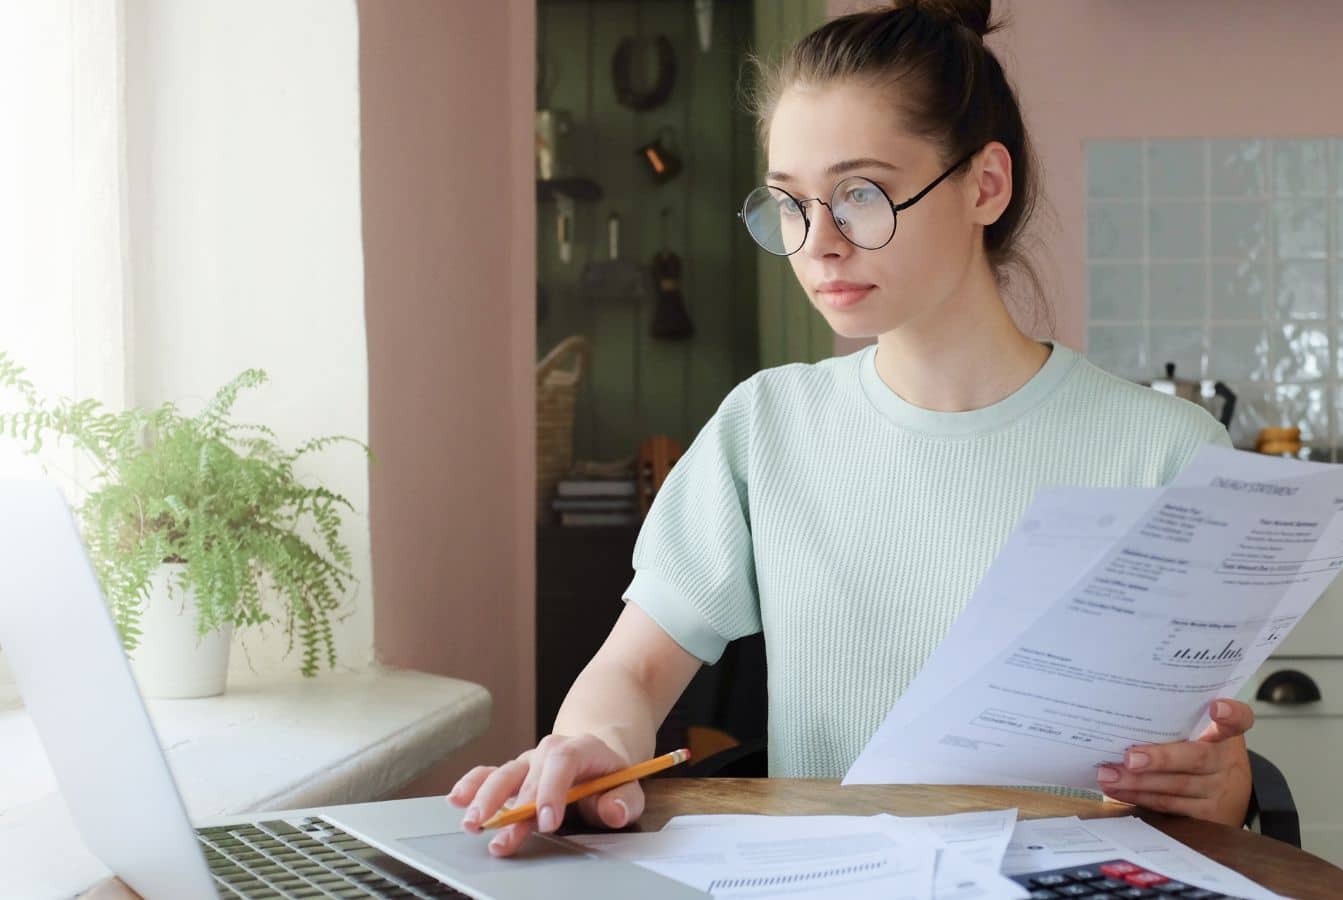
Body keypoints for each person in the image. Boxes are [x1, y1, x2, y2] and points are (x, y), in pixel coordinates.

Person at [453, 0, 1255, 857]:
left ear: (986, 184)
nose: (819, 243)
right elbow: (634, 670)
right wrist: (595, 748)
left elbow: (1208, 761)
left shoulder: (1170, 452)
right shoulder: (767, 427)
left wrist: (1221, 784)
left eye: (860, 195)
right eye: (791, 203)